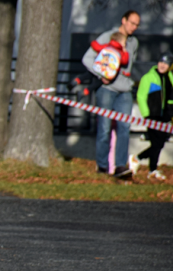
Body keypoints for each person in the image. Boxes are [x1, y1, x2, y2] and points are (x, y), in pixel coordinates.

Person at [81, 10, 140, 178]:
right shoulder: (107, 37)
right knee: (104, 129)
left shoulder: (134, 42)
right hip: (107, 90)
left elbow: (129, 65)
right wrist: (101, 75)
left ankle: (121, 167)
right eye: (132, 23)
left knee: (124, 128)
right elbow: (87, 59)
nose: (134, 27)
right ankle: (102, 167)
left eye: (137, 25)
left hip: (125, 91)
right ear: (124, 20)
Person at [130, 52, 173, 180]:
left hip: (165, 117)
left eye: (165, 63)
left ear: (170, 65)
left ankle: (137, 158)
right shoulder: (148, 77)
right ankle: (152, 170)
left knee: (159, 144)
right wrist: (146, 115)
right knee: (156, 143)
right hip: (152, 116)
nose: (162, 65)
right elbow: (141, 96)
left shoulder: (170, 78)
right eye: (160, 62)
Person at [70, 31, 129, 96]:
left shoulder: (107, 46)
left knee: (89, 74)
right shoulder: (120, 52)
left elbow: (97, 47)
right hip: (108, 72)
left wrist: (93, 42)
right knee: (98, 82)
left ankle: (77, 80)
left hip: (100, 66)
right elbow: (124, 61)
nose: (125, 45)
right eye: (124, 42)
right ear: (120, 42)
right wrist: (125, 52)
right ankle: (85, 92)